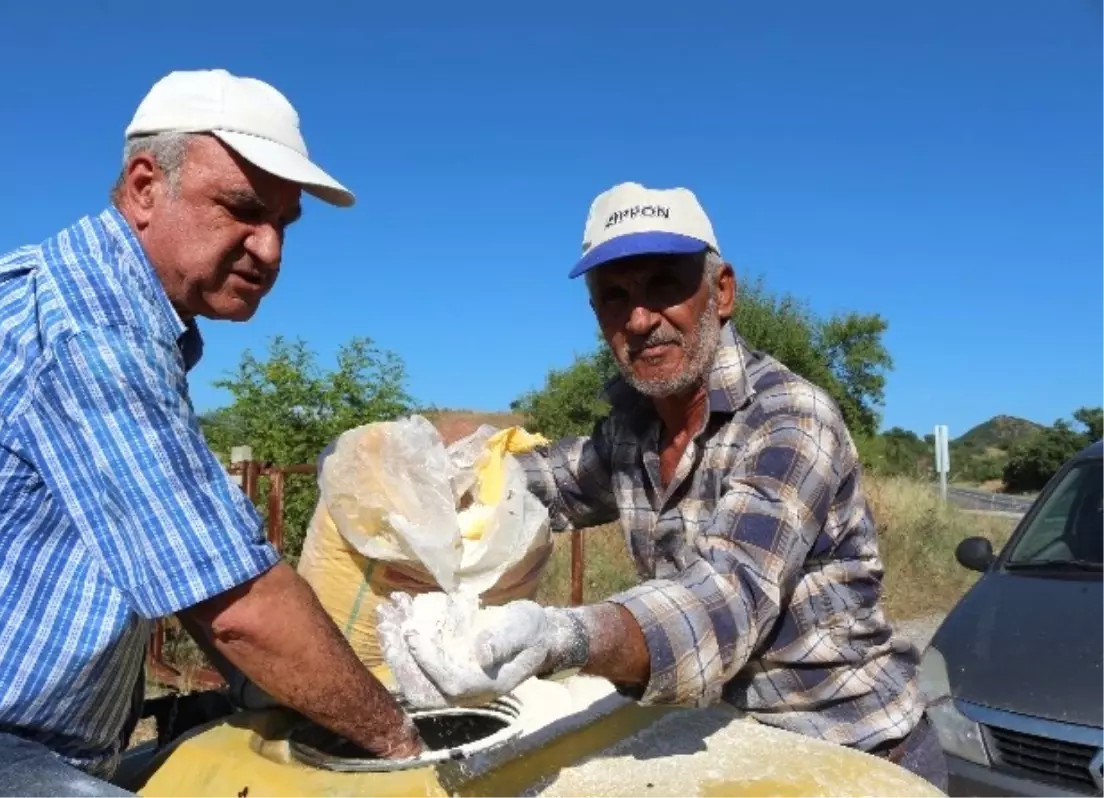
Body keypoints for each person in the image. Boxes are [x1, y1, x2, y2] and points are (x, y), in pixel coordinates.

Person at [0, 69, 422, 798]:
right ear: (145, 187)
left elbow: (191, 566)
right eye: (242, 209)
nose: (269, 250)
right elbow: (235, 605)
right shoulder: (90, 329)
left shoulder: (72, 300)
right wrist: (404, 743)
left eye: (283, 223)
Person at [381, 181, 947, 791]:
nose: (641, 319)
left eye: (663, 286)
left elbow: (726, 598)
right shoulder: (632, 433)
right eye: (615, 297)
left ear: (721, 292)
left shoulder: (790, 420)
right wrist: (432, 463)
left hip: (854, 755)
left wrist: (560, 637)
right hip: (731, 751)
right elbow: (539, 485)